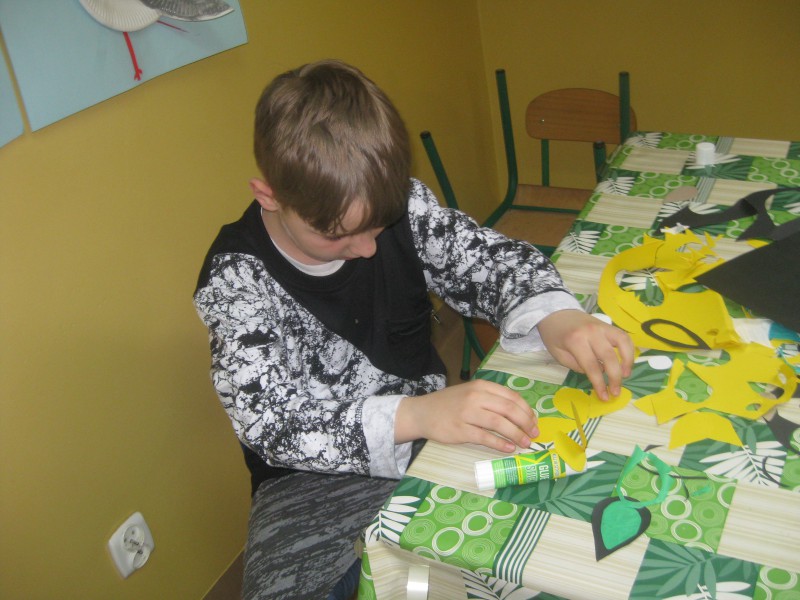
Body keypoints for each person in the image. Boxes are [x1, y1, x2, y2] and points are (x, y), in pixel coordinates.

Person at [193, 59, 633, 599]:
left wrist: (556, 316)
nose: (367, 249)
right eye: (338, 236)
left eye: (378, 226)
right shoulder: (235, 281)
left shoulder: (402, 203)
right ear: (270, 197)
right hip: (310, 482)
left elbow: (485, 260)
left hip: (435, 435)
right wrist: (417, 414)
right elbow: (274, 422)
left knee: (541, 546)